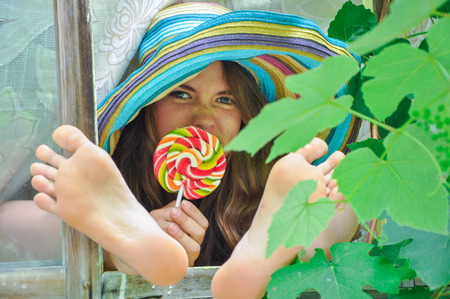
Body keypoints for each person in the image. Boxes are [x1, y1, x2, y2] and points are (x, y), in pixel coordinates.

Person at [17, 2, 361, 295]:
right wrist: (140, 237)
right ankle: (116, 248)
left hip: (272, 216)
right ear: (146, 106)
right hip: (130, 232)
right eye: (182, 93)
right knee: (38, 222)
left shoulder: (269, 177)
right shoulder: (115, 171)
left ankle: (280, 239)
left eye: (225, 100)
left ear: (245, 116)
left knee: (337, 200)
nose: (205, 117)